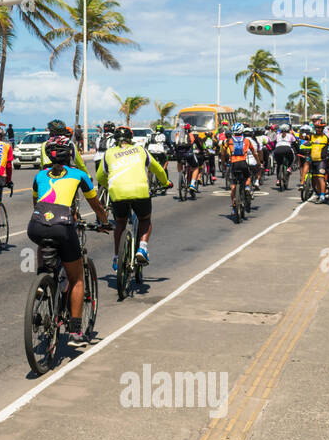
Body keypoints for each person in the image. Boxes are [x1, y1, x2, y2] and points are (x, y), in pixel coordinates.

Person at [28, 134, 110, 344]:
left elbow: (38, 203)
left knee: (45, 240)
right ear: (70, 155)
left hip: (36, 226)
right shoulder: (78, 174)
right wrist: (104, 221)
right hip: (63, 228)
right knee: (77, 279)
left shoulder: (39, 176)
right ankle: (75, 331)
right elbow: (95, 204)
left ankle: (42, 279)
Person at [95, 125, 170, 270]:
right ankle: (142, 248)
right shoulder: (141, 150)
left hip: (117, 193)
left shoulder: (109, 153)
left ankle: (117, 258)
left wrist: (110, 185)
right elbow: (158, 169)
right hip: (140, 191)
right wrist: (166, 182)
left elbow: (99, 176)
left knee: (120, 223)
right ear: (131, 139)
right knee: (144, 219)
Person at [224, 124, 260, 217]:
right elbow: (254, 152)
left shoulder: (229, 140)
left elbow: (223, 152)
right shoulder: (247, 140)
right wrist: (258, 162)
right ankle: (247, 187)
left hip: (234, 164)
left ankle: (233, 207)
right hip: (243, 163)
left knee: (233, 185)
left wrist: (224, 162)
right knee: (247, 176)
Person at [299, 117, 329, 202]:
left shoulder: (326, 137)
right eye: (316, 128)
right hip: (313, 160)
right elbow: (302, 137)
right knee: (315, 179)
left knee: (320, 178)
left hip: (321, 161)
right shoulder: (312, 136)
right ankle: (320, 194)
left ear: (322, 128)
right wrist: (301, 133)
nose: (318, 129)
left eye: (319, 128)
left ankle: (322, 197)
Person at [170, 121, 200, 193]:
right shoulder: (190, 135)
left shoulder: (177, 134)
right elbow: (196, 144)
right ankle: (192, 184)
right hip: (188, 154)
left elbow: (173, 144)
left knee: (179, 162)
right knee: (196, 167)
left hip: (179, 155)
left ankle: (181, 176)